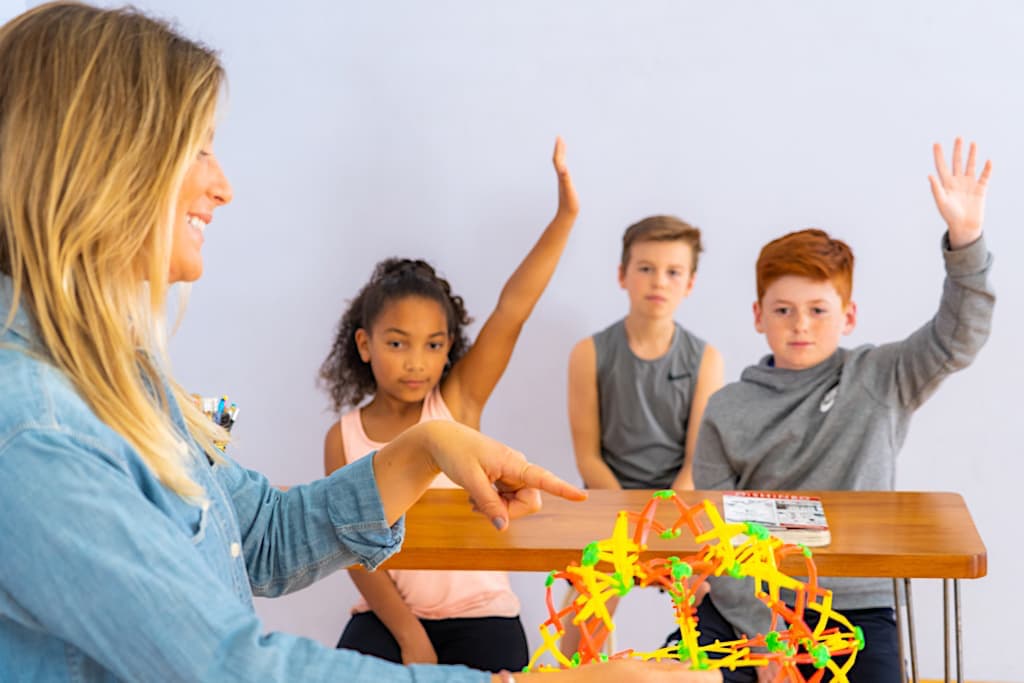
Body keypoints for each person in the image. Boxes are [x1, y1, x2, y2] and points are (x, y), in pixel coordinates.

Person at [0, 3, 720, 682]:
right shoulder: (34, 428)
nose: (223, 186)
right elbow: (228, 667)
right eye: (197, 150)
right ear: (101, 164)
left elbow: (266, 534)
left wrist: (419, 451)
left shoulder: (116, 376)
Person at [667, 138, 995, 682]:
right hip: (748, 610)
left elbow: (959, 338)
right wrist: (766, 633)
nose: (801, 324)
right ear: (758, 315)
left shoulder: (880, 377)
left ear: (848, 315)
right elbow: (716, 539)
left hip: (855, 609)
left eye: (819, 310)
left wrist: (966, 240)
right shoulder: (727, 409)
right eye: (784, 310)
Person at [318, 138, 578, 671]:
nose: (416, 362)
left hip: (483, 615)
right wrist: (411, 638)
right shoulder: (343, 437)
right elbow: (353, 550)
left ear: (448, 349)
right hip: (390, 616)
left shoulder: (457, 402)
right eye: (397, 343)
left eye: (433, 345)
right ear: (365, 345)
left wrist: (565, 217)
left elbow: (513, 308)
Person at [561, 215, 724, 657]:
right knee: (579, 629)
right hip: (609, 508)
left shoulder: (705, 359)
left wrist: (661, 525)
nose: (659, 281)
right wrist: (629, 527)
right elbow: (588, 458)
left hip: (678, 511)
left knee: (721, 606)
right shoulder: (589, 353)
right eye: (646, 268)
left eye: (673, 272)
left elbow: (696, 462)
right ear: (623, 274)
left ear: (689, 283)